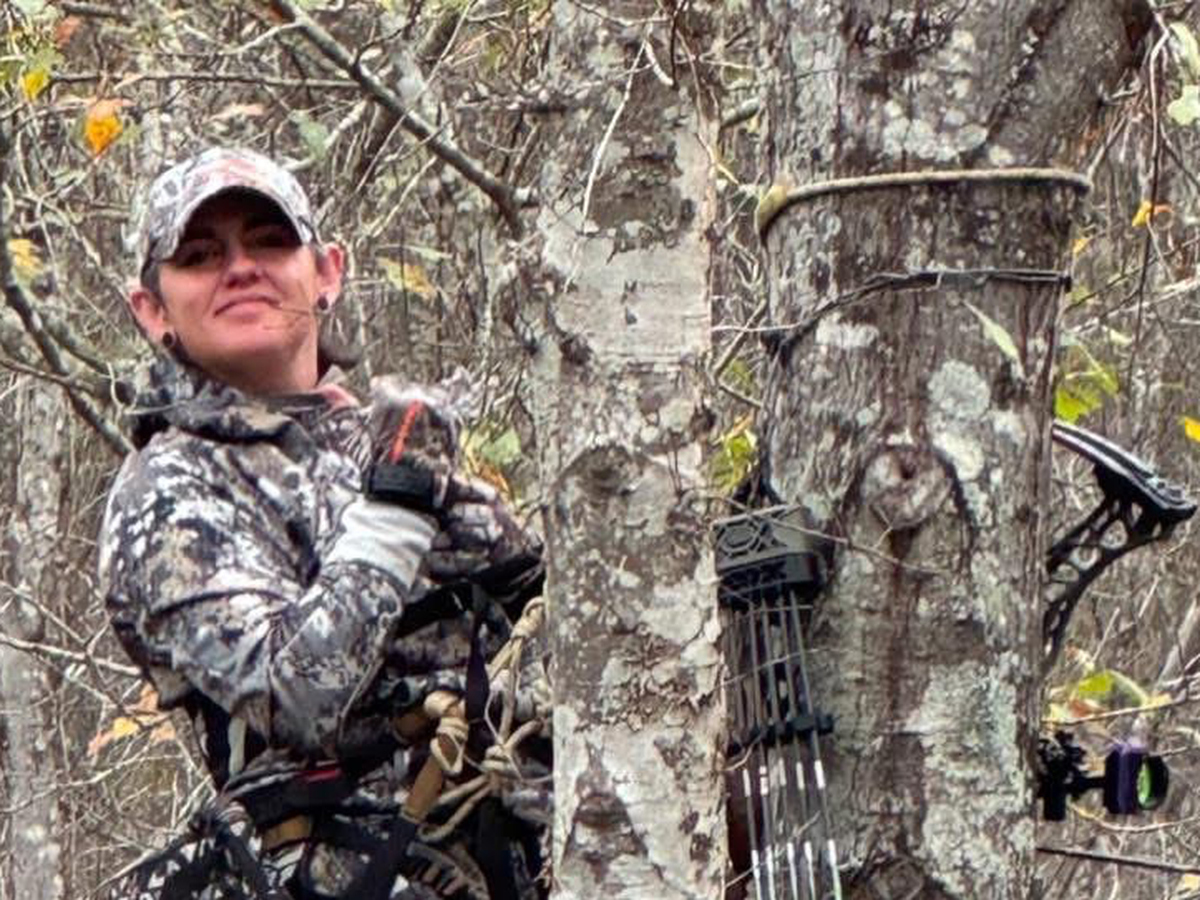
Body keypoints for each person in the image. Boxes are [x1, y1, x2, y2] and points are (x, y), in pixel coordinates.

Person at [98, 147, 549, 900]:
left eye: (270, 242)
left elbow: (542, 627)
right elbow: (296, 697)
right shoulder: (168, 489)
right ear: (152, 311)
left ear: (328, 272)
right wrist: (401, 506)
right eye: (200, 256)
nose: (241, 268)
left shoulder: (383, 441)